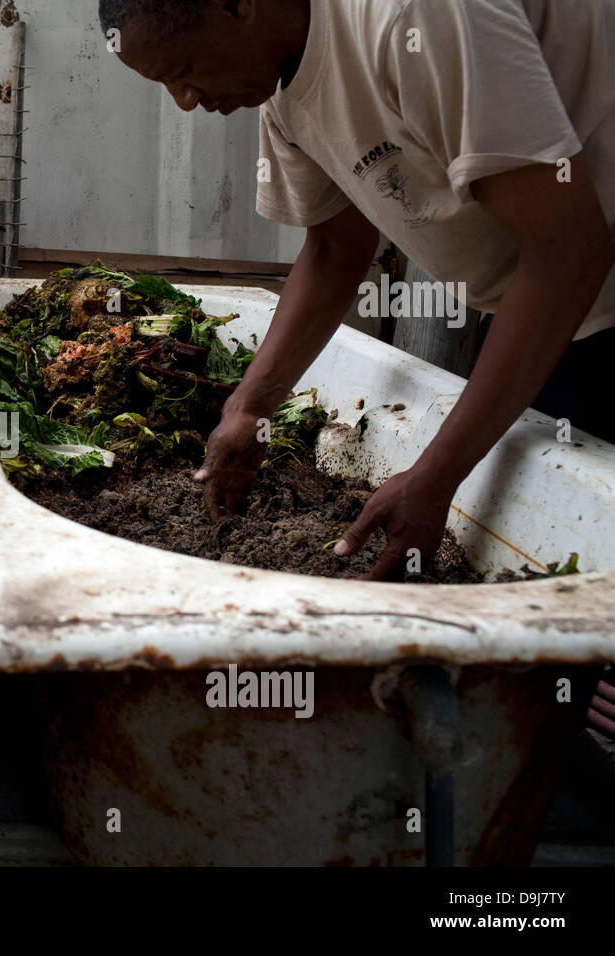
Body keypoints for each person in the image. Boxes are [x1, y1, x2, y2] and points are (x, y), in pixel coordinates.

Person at [100, 0, 615, 581]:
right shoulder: (279, 90)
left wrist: (434, 476)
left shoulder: (414, 20)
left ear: (239, 7)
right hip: (554, 305)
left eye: (182, 69)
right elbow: (334, 250)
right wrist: (248, 408)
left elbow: (570, 254)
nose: (185, 101)